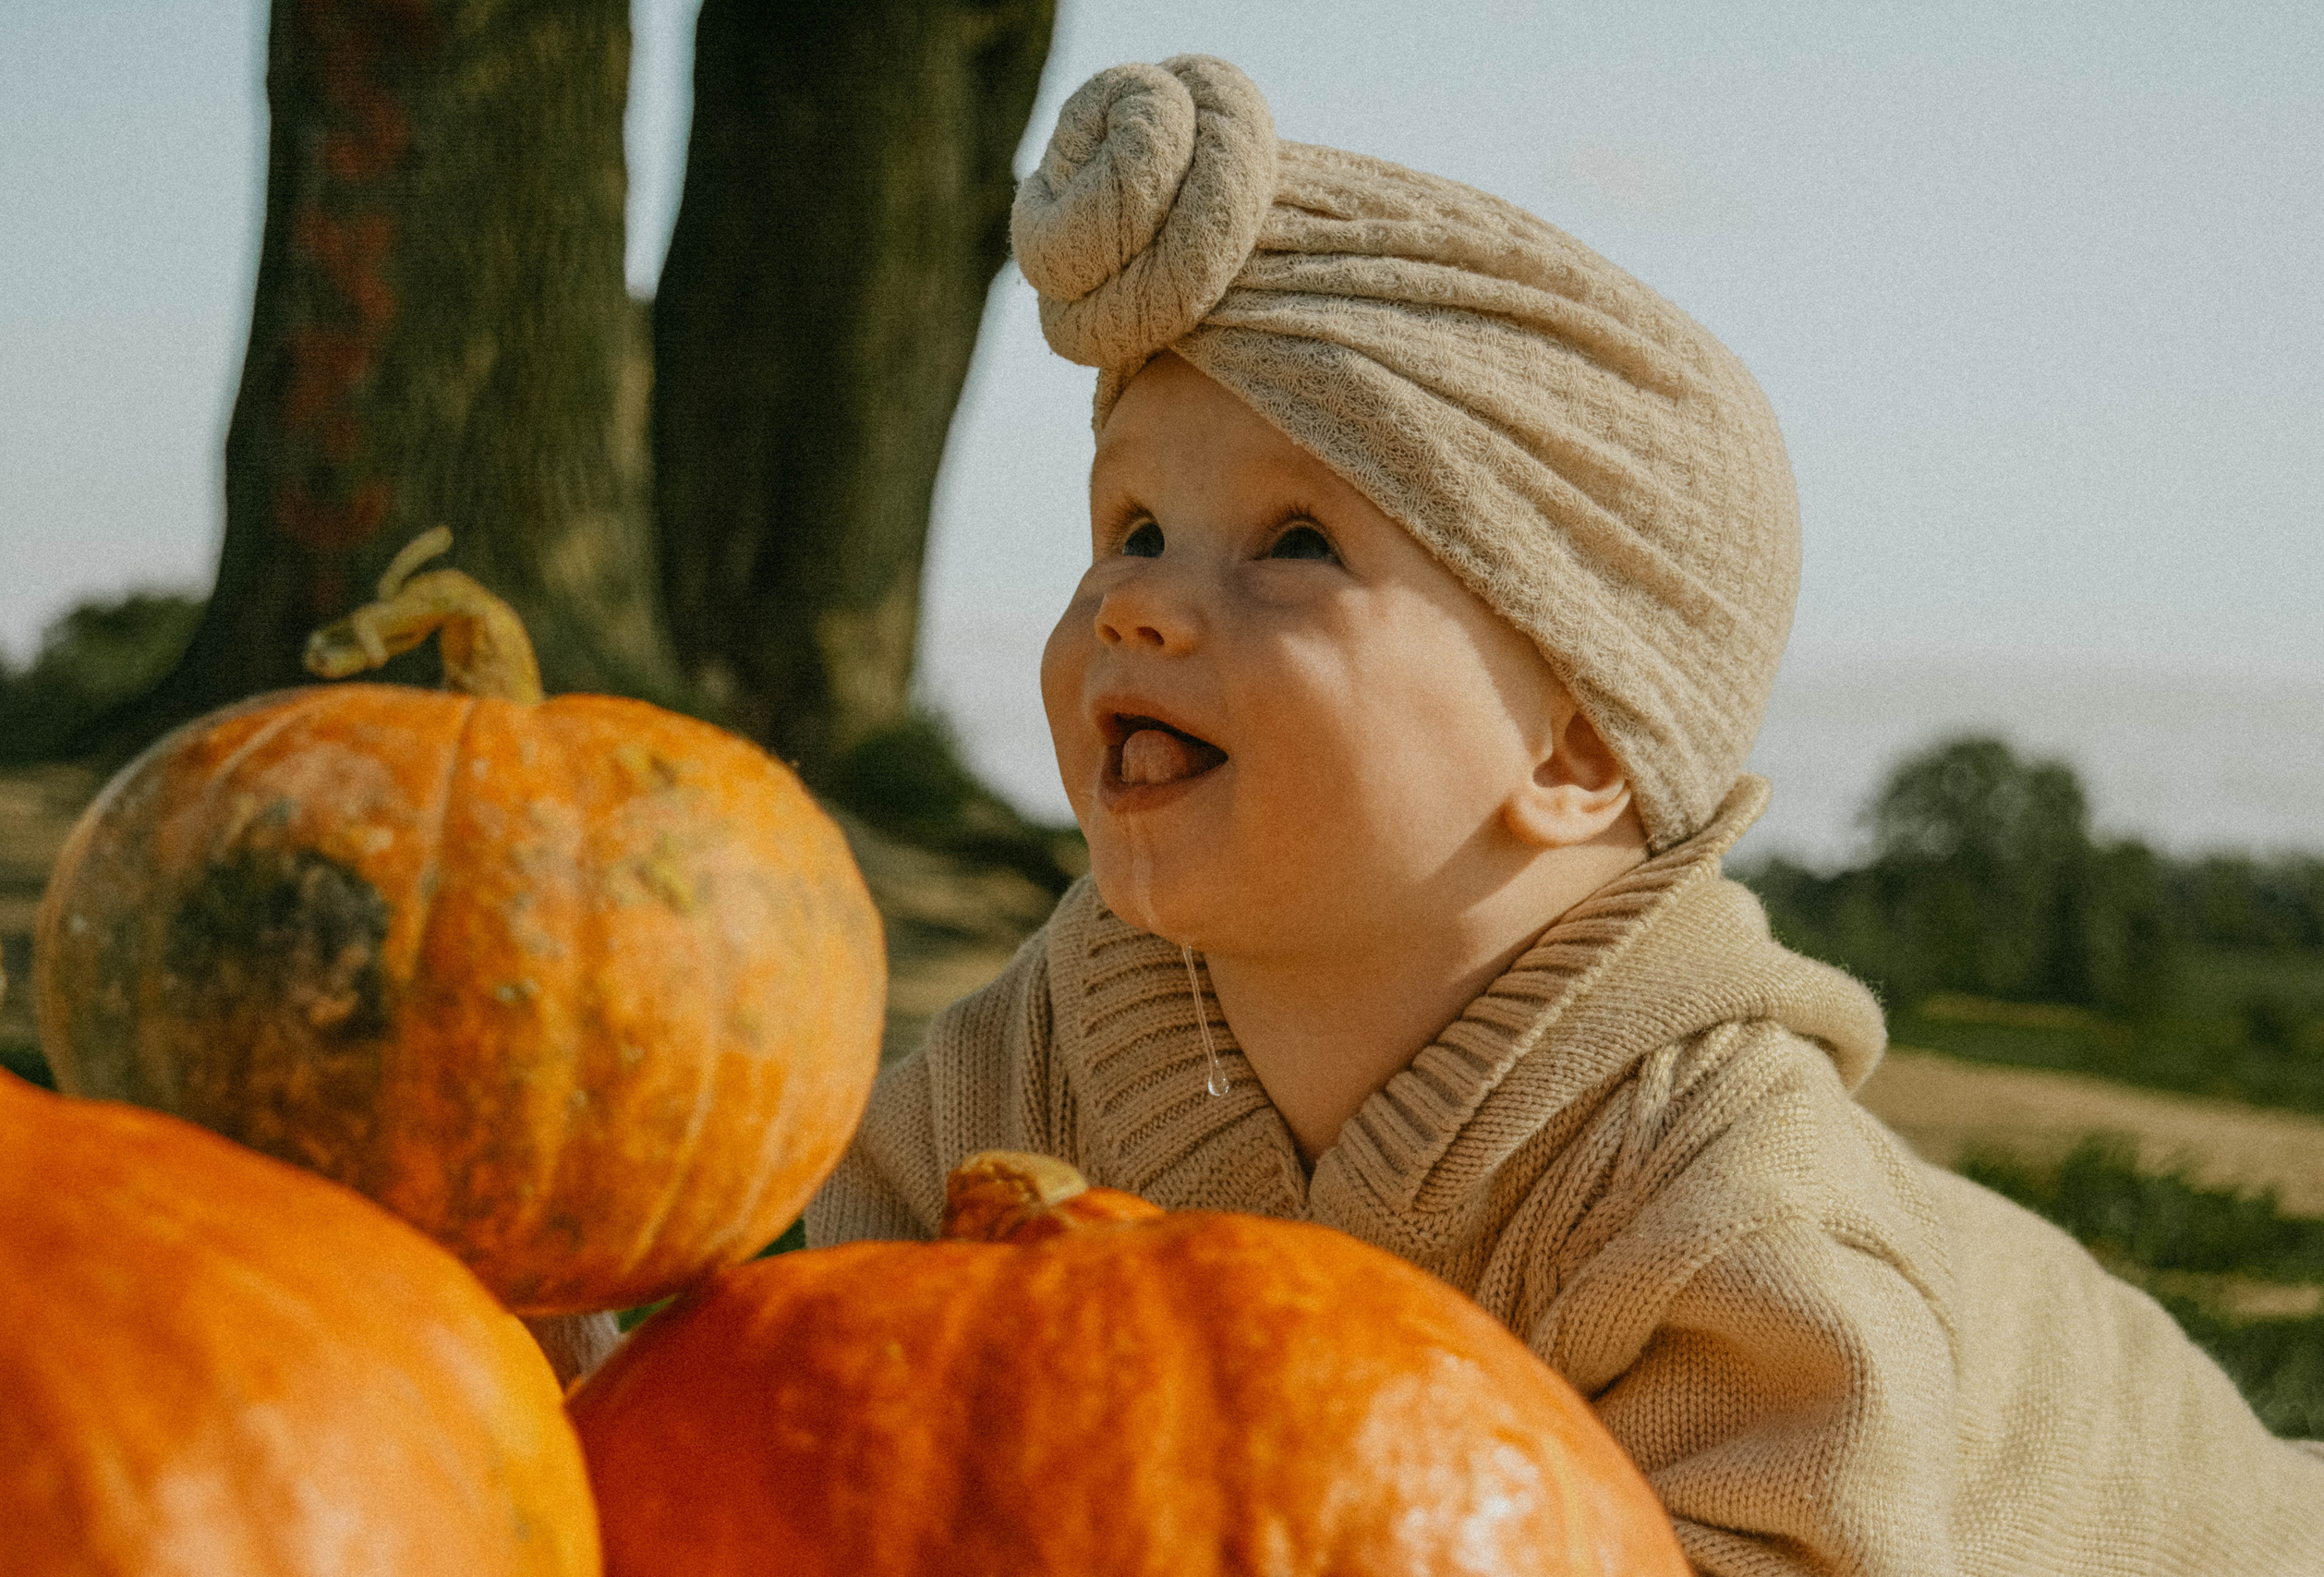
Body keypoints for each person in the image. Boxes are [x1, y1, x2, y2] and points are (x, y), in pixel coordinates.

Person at [806, 55, 2324, 1572]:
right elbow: (786, 1345)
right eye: (1133, 525)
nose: (1134, 598)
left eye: (1294, 543)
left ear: (1578, 751)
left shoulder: (1709, 1179)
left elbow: (1792, 1547)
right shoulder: (1050, 1048)